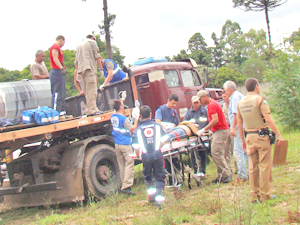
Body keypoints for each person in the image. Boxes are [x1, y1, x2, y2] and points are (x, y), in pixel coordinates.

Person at [237, 78, 283, 202]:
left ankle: (254, 194)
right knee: (265, 166)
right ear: (257, 86)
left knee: (252, 167)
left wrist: (242, 140)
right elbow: (268, 119)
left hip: (249, 137)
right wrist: (279, 135)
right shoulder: (260, 100)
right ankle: (265, 194)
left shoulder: (240, 103)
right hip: (261, 137)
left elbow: (239, 123)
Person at [197, 90, 232, 183]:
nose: (200, 103)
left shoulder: (212, 105)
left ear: (204, 97)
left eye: (200, 100)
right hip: (219, 130)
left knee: (215, 152)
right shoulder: (213, 103)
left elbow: (215, 120)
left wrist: (204, 129)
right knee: (218, 152)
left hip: (220, 130)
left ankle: (226, 174)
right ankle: (221, 175)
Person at [132, 105, 166, 203]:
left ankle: (151, 198)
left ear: (141, 116)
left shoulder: (138, 130)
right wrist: (158, 148)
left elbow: (136, 146)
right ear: (151, 114)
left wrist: (138, 156)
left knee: (148, 177)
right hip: (157, 154)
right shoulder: (157, 126)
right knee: (159, 175)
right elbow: (163, 140)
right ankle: (159, 198)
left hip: (146, 156)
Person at [111, 99, 139, 195]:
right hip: (126, 144)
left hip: (117, 144)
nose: (123, 106)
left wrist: (121, 100)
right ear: (120, 107)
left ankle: (123, 184)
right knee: (130, 163)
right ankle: (127, 186)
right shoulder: (124, 119)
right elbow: (133, 130)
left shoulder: (113, 116)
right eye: (122, 105)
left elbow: (116, 108)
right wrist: (136, 119)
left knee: (121, 164)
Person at [224, 81, 249, 182]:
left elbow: (236, 114)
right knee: (245, 150)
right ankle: (249, 171)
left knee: (238, 150)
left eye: (226, 90)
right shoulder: (239, 95)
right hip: (243, 126)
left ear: (229, 89)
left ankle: (242, 174)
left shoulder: (234, 97)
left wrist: (233, 127)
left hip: (239, 127)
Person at [155, 94, 180, 185]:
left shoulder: (174, 112)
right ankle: (170, 180)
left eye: (176, 104)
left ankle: (176, 178)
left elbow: (177, 123)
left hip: (172, 137)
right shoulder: (160, 110)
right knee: (167, 161)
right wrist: (164, 127)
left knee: (175, 159)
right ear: (168, 100)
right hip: (164, 137)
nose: (174, 106)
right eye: (173, 103)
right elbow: (157, 121)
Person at [75, 35, 102, 116]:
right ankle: (91, 110)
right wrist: (101, 68)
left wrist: (77, 72)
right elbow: (97, 56)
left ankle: (93, 107)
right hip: (89, 68)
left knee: (87, 91)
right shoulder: (92, 43)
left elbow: (76, 62)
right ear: (92, 38)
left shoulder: (79, 45)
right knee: (92, 90)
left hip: (81, 70)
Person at [183, 96, 209, 178]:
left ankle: (203, 171)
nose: (196, 104)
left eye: (197, 102)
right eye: (195, 103)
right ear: (192, 103)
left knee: (203, 153)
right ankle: (196, 171)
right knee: (194, 154)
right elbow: (185, 124)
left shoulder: (204, 111)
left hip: (203, 135)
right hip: (193, 138)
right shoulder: (189, 113)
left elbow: (209, 122)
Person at [49, 35, 67, 113]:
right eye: (63, 42)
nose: (63, 44)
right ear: (60, 40)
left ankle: (61, 111)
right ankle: (55, 111)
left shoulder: (59, 49)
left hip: (59, 72)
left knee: (61, 93)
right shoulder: (55, 47)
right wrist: (61, 67)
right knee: (56, 92)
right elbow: (55, 58)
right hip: (56, 71)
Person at [222, 91, 238, 175]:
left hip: (232, 127)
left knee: (234, 147)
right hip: (226, 127)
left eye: (225, 96)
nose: (224, 99)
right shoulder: (224, 106)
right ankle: (228, 167)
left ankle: (237, 167)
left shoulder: (232, 104)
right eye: (223, 97)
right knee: (226, 149)